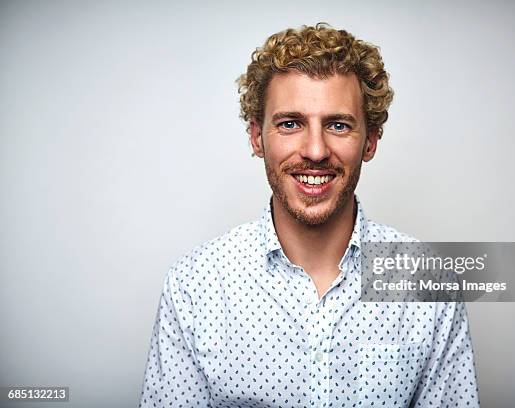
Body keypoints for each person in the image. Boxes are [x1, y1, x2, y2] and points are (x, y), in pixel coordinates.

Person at [139, 23, 479, 407]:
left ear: (370, 140)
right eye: (290, 124)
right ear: (256, 137)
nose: (315, 150)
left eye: (337, 125)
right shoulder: (194, 286)